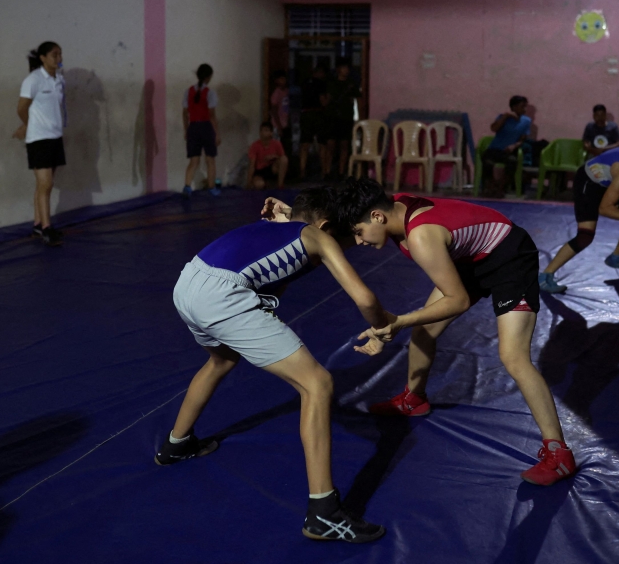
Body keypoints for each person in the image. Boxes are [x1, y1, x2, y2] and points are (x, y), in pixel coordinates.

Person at [157, 187, 388, 543]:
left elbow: (289, 223)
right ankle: (324, 513)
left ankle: (176, 444)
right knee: (318, 383)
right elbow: (365, 297)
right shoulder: (318, 236)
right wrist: (386, 323)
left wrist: (288, 211)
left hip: (188, 282)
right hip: (221, 296)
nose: (353, 243)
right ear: (326, 226)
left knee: (220, 360)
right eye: (350, 237)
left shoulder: (281, 224)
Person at [337, 178, 577, 487]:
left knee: (513, 357)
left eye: (358, 233)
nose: (358, 242)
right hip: (473, 256)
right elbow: (340, 207)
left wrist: (399, 321)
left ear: (378, 217)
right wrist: (292, 215)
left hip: (510, 258)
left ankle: (559, 454)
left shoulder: (421, 236)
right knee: (424, 331)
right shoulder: (393, 204)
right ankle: (414, 399)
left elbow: (458, 300)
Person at [538, 143, 619, 294]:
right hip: (589, 182)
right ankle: (545, 276)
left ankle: (617, 256)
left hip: (611, 181)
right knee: (585, 236)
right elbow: (605, 209)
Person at [14, 41, 65, 247]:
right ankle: (46, 228)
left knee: (44, 184)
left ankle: (37, 224)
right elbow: (21, 108)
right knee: (46, 184)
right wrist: (28, 125)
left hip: (55, 137)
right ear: (43, 58)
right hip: (38, 139)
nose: (59, 58)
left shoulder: (60, 80)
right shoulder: (33, 80)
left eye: (60, 54)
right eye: (54, 54)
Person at [182, 64, 221, 197]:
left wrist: (186, 129)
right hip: (206, 127)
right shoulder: (210, 93)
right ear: (208, 77)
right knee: (210, 160)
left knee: (194, 161)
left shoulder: (188, 91)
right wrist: (216, 133)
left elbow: (184, 113)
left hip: (193, 127)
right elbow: (212, 115)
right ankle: (211, 188)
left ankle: (187, 187)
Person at [482, 96, 533, 197]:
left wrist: (514, 145)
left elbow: (522, 139)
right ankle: (490, 187)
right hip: (495, 149)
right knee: (487, 161)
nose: (524, 109)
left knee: (512, 162)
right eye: (522, 106)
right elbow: (494, 128)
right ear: (514, 107)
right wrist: (505, 116)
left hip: (508, 151)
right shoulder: (502, 117)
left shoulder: (526, 121)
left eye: (525, 107)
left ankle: (501, 187)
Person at [324, 61, 361, 178]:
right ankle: (327, 171)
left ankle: (341, 171)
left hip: (346, 117)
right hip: (333, 117)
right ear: (338, 69)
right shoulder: (332, 83)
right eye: (344, 67)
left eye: (347, 68)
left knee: (344, 145)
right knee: (331, 145)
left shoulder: (351, 84)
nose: (346, 70)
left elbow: (358, 100)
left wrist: (358, 117)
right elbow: (327, 100)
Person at [299, 67, 329, 179]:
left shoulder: (305, 83)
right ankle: (324, 171)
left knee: (305, 144)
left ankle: (302, 171)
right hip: (317, 113)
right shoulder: (321, 84)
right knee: (322, 143)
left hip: (305, 113)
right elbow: (323, 101)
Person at [247, 122, 288, 190]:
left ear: (271, 133)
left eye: (266, 130)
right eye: (261, 130)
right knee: (259, 185)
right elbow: (252, 165)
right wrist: (248, 182)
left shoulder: (277, 144)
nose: (263, 133)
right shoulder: (254, 145)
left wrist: (274, 157)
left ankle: (280, 185)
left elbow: (283, 159)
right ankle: (266, 183)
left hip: (272, 168)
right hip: (259, 171)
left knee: (284, 159)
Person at [269, 72, 290, 142]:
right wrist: (279, 126)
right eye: (281, 79)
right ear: (276, 80)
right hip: (278, 125)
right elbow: (274, 111)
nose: (284, 80)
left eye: (284, 78)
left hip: (285, 124)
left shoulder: (287, 91)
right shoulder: (276, 93)